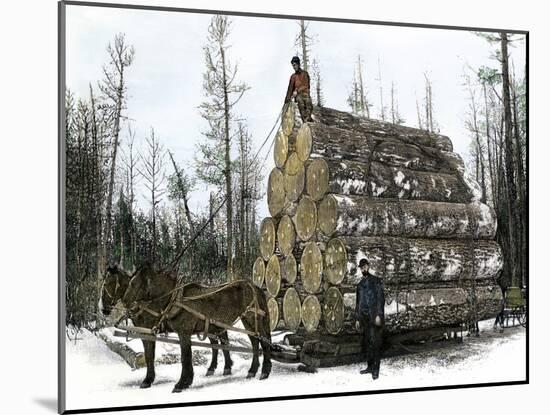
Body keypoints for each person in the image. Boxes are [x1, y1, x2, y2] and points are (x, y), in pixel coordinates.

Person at [354, 258, 385, 380]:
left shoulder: (376, 282)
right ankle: (369, 367)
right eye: (361, 268)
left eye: (365, 267)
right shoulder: (360, 285)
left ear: (368, 266)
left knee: (375, 343)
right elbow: (358, 303)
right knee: (367, 343)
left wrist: (379, 315)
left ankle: (375, 371)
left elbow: (380, 300)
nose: (363, 269)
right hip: (364, 319)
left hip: (374, 317)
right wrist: (357, 318)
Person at [284, 56, 314, 123]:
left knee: (308, 102)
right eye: (293, 65)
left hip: (305, 94)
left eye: (294, 65)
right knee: (300, 101)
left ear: (298, 64)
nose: (294, 67)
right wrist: (287, 100)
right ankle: (305, 121)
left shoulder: (305, 74)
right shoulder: (293, 77)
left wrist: (297, 91)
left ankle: (308, 119)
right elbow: (290, 89)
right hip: (298, 96)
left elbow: (306, 85)